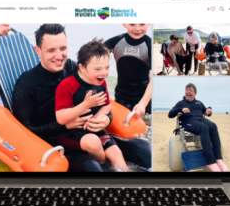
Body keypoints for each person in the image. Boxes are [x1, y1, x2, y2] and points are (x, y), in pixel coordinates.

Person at [11, 24, 150, 172]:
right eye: (51, 50)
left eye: (63, 49)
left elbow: (103, 101)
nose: (59, 56)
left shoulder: (75, 69)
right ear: (37, 51)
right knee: (93, 168)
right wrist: (63, 126)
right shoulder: (26, 85)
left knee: (143, 149)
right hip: (58, 143)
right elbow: (24, 131)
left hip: (91, 132)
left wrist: (105, 119)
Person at [55, 39, 128, 171]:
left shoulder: (101, 82)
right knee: (93, 142)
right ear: (82, 67)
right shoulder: (67, 85)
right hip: (71, 133)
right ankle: (103, 166)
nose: (104, 73)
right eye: (98, 69)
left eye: (107, 67)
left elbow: (106, 106)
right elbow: (60, 118)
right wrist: (86, 104)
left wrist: (100, 118)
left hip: (94, 129)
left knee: (117, 154)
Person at [168, 83, 229, 172]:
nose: (188, 92)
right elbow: (170, 114)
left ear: (195, 93)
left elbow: (207, 112)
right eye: (187, 90)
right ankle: (210, 162)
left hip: (200, 120)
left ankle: (219, 159)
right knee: (203, 128)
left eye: (190, 90)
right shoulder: (181, 103)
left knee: (213, 125)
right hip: (188, 122)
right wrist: (180, 110)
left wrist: (209, 110)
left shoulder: (199, 103)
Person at [104, 24, 152, 117]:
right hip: (121, 97)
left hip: (144, 99)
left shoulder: (148, 44)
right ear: (124, 23)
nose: (137, 29)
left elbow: (153, 79)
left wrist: (143, 104)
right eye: (132, 24)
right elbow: (94, 59)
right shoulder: (115, 41)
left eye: (142, 24)